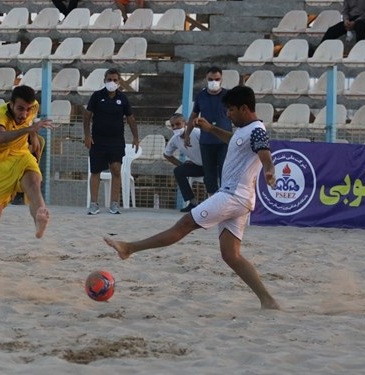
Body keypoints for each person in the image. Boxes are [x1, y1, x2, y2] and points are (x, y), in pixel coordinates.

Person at [105, 86, 280, 310]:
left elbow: (265, 151)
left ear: (244, 108)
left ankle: (129, 248)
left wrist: (269, 169)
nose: (228, 114)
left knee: (185, 224)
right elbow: (235, 140)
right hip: (241, 199)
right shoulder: (246, 131)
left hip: (232, 195)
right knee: (231, 255)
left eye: (231, 110)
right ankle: (268, 300)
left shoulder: (257, 130)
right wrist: (211, 129)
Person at [0, 85, 54, 295]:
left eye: (28, 109)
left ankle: (40, 215)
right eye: (20, 109)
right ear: (11, 104)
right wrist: (30, 130)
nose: (25, 113)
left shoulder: (32, 107)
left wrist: (33, 137)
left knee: (34, 181)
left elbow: (30, 122)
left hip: (21, 156)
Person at [84, 68, 139, 215]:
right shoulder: (97, 96)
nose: (112, 82)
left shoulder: (123, 98)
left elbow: (130, 118)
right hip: (98, 141)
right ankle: (94, 204)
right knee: (95, 171)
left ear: (119, 82)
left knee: (116, 169)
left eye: (115, 80)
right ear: (104, 80)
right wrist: (87, 135)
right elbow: (87, 115)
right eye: (109, 79)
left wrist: (135, 137)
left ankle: (114, 204)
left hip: (116, 141)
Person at [184, 66, 232, 198]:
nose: (214, 82)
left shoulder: (228, 95)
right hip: (206, 141)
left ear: (221, 79)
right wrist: (187, 134)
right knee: (209, 173)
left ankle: (225, 198)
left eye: (217, 79)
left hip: (224, 140)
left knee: (224, 171)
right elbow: (193, 115)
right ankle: (212, 199)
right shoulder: (201, 95)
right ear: (206, 79)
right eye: (211, 79)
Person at [163, 113, 203, 213]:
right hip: (197, 165)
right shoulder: (174, 139)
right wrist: (181, 164)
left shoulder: (196, 133)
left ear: (185, 124)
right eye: (172, 125)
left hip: (211, 165)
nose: (175, 127)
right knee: (178, 171)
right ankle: (193, 202)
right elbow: (167, 154)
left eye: (178, 124)